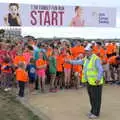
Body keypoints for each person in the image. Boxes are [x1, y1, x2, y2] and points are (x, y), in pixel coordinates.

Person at [65, 43, 104, 119]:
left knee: (96, 98)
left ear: (91, 51)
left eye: (87, 51)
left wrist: (98, 79)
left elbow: (100, 70)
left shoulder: (96, 59)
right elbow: (78, 62)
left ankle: (96, 113)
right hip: (89, 82)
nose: (85, 52)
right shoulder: (86, 58)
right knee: (91, 97)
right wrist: (69, 61)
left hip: (96, 82)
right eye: (85, 51)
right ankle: (93, 111)